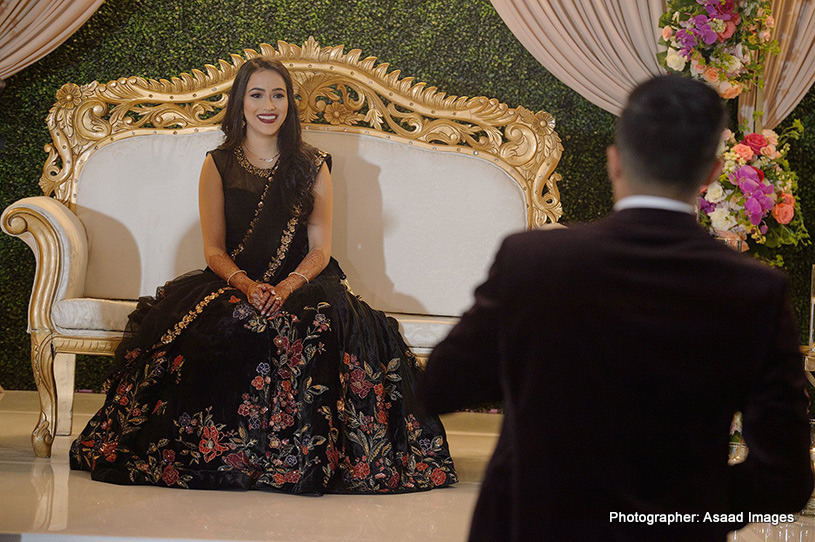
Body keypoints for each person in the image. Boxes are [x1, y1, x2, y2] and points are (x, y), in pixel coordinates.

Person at [419, 75, 813, 540]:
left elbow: (442, 388)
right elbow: (785, 480)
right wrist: (686, 510)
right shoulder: (755, 290)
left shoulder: (534, 262)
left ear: (614, 161)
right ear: (712, 171)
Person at [70, 57, 457, 494]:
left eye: (278, 95)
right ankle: (225, 457)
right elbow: (213, 250)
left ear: (290, 103)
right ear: (240, 104)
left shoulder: (312, 165)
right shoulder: (217, 164)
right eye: (257, 95)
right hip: (234, 281)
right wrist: (249, 286)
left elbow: (320, 250)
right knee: (225, 327)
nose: (268, 105)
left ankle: (295, 459)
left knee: (315, 326)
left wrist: (287, 286)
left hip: (305, 283)